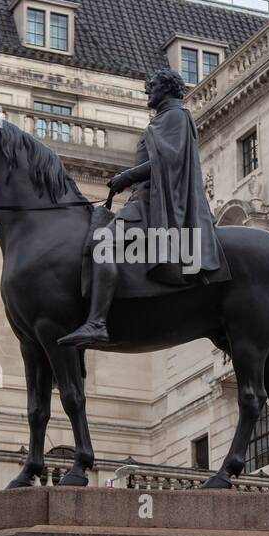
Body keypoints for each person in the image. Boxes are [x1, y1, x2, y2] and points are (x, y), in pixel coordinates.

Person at [58, 66, 230, 348]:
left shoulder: (175, 115)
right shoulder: (166, 117)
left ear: (166, 88)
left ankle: (97, 323)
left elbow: (169, 162)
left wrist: (128, 176)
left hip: (152, 204)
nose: (148, 91)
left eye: (153, 86)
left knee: (101, 246)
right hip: (144, 199)